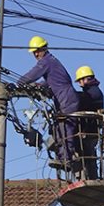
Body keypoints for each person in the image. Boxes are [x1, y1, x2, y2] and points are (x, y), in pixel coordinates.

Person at [18, 36, 79, 168]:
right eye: (34, 52)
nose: (36, 54)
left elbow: (33, 73)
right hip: (64, 97)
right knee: (59, 128)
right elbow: (51, 80)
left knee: (65, 128)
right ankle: (63, 157)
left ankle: (66, 160)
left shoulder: (46, 62)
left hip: (65, 97)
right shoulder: (53, 62)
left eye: (37, 51)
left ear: (44, 48)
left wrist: (20, 83)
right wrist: (37, 86)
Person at [74, 65, 104, 180]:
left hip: (90, 129)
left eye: (80, 81)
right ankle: (91, 177)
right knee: (89, 154)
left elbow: (83, 102)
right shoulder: (94, 91)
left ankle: (89, 178)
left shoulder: (92, 92)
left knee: (86, 153)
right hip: (92, 129)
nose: (79, 84)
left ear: (85, 79)